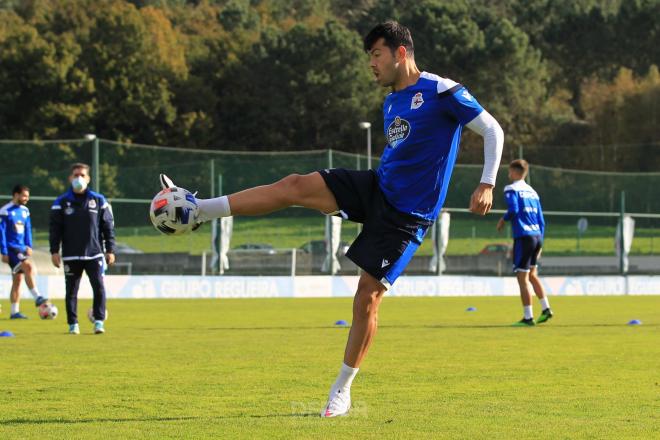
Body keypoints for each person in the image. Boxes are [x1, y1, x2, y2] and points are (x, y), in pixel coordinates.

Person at [165, 21, 504, 417]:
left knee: (366, 298)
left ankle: (342, 390)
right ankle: (198, 209)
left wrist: (486, 183)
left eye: (376, 55)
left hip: (408, 215)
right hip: (377, 187)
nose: (371, 65)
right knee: (295, 184)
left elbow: (492, 129)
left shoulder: (442, 90)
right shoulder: (391, 100)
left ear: (400, 52)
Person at [49, 163, 116, 334]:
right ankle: (73, 324)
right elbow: (55, 229)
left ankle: (99, 321)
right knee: (71, 291)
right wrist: (54, 251)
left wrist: (110, 249)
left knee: (99, 287)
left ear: (88, 178)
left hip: (94, 254)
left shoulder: (99, 200)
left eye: (82, 175)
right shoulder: (61, 202)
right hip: (71, 255)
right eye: (76, 175)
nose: (79, 178)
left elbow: (108, 226)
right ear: (70, 178)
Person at [496, 159, 552, 326]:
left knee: (522, 278)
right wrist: (541, 241)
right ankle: (546, 308)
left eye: (510, 171)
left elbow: (514, 209)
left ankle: (528, 317)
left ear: (515, 172)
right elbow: (541, 220)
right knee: (533, 275)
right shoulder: (533, 192)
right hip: (536, 236)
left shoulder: (511, 189)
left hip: (523, 236)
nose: (508, 174)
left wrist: (503, 220)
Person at [0, 184, 48, 319]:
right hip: (11, 248)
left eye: (28, 196)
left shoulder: (25, 211)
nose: (27, 198)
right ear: (16, 195)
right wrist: (3, 251)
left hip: (22, 248)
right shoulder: (5, 211)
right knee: (29, 266)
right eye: (24, 196)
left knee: (18, 279)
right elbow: (1, 232)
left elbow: (27, 228)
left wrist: (29, 245)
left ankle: (14, 312)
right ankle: (37, 297)